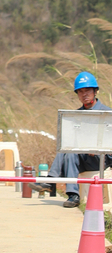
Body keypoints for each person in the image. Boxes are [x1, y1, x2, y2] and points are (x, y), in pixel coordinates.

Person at [44, 72, 112, 208]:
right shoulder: (76, 115)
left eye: (87, 91)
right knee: (69, 149)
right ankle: (73, 195)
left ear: (95, 91)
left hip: (102, 159)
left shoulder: (108, 114)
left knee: (71, 151)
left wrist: (99, 151)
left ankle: (51, 181)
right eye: (80, 92)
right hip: (81, 158)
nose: (84, 94)